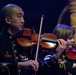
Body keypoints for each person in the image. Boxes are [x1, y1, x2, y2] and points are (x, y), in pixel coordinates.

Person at [0, 4, 39, 75]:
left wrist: (55, 57)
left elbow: (41, 69)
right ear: (8, 20)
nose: (23, 21)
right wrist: (19, 65)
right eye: (19, 16)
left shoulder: (26, 42)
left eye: (23, 17)